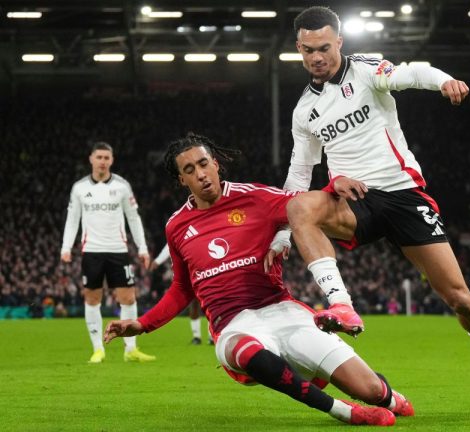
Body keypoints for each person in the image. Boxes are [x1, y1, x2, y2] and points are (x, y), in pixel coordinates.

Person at [281, 6, 470, 411]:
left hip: (403, 195)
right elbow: (298, 172)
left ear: (339, 42)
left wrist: (445, 81)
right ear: (298, 49)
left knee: (459, 298)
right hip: (356, 202)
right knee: (299, 207)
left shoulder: (366, 70)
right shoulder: (305, 110)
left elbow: (412, 73)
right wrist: (282, 235)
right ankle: (343, 304)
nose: (316, 57)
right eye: (307, 51)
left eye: (323, 48)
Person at [104, 133, 412, 426]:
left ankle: (389, 397)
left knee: (371, 390)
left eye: (203, 163)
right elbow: (183, 288)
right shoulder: (177, 226)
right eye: (189, 170)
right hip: (231, 325)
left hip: (280, 310)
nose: (199, 174)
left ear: (215, 164)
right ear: (181, 180)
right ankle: (342, 411)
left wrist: (333, 185)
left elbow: (303, 204)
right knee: (248, 350)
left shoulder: (256, 198)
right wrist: (143, 325)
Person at [60, 141, 156, 364]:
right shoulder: (80, 188)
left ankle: (130, 349)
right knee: (92, 299)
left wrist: (142, 247)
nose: (102, 161)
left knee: (128, 298)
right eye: (99, 157)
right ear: (91, 159)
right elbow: (72, 219)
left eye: (106, 158)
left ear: (112, 160)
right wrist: (66, 247)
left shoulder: (122, 186)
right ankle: (98, 349)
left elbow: (133, 218)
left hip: (118, 250)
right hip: (91, 251)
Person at [151, 243, 212, 345]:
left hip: (206, 267)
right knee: (194, 303)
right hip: (189, 269)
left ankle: (211, 335)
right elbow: (171, 244)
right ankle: (196, 336)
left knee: (210, 303)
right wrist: (158, 261)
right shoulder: (182, 230)